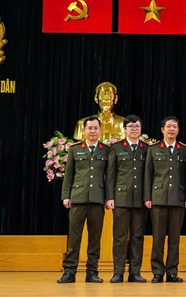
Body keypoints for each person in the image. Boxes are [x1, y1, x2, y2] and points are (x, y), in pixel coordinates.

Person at [58, 117, 109, 284]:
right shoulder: (75, 149)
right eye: (90, 128)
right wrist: (66, 196)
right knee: (74, 238)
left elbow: (109, 177)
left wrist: (109, 197)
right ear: (84, 130)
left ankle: (92, 271)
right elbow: (69, 175)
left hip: (97, 199)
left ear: (100, 130)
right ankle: (69, 271)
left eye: (96, 128)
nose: (93, 131)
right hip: (78, 198)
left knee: (95, 238)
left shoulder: (106, 150)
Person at [145, 116, 186, 283]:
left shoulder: (185, 150)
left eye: (174, 127)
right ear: (162, 129)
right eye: (168, 126)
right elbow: (148, 175)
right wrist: (147, 197)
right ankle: (157, 272)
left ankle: (172, 271)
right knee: (158, 238)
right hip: (158, 199)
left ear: (178, 130)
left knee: (174, 239)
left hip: (178, 199)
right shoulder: (153, 149)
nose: (171, 129)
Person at [106, 115, 150, 283]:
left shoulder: (146, 148)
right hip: (121, 198)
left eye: (137, 126)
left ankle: (135, 272)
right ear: (124, 129)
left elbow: (149, 175)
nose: (134, 129)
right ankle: (118, 272)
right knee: (120, 237)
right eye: (131, 126)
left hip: (140, 199)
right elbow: (111, 174)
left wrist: (148, 197)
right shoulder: (116, 147)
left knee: (138, 237)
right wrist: (110, 197)